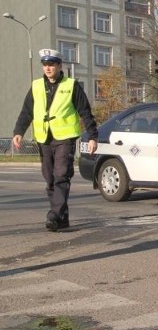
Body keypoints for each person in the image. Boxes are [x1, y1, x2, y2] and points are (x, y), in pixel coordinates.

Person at [12, 48, 98, 232]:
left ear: (60, 66)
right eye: (45, 65)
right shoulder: (36, 86)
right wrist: (18, 131)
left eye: (51, 64)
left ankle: (54, 215)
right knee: (50, 178)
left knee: (61, 175)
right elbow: (27, 111)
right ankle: (62, 217)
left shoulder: (71, 85)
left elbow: (85, 112)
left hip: (64, 138)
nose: (48, 68)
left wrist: (92, 136)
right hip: (44, 138)